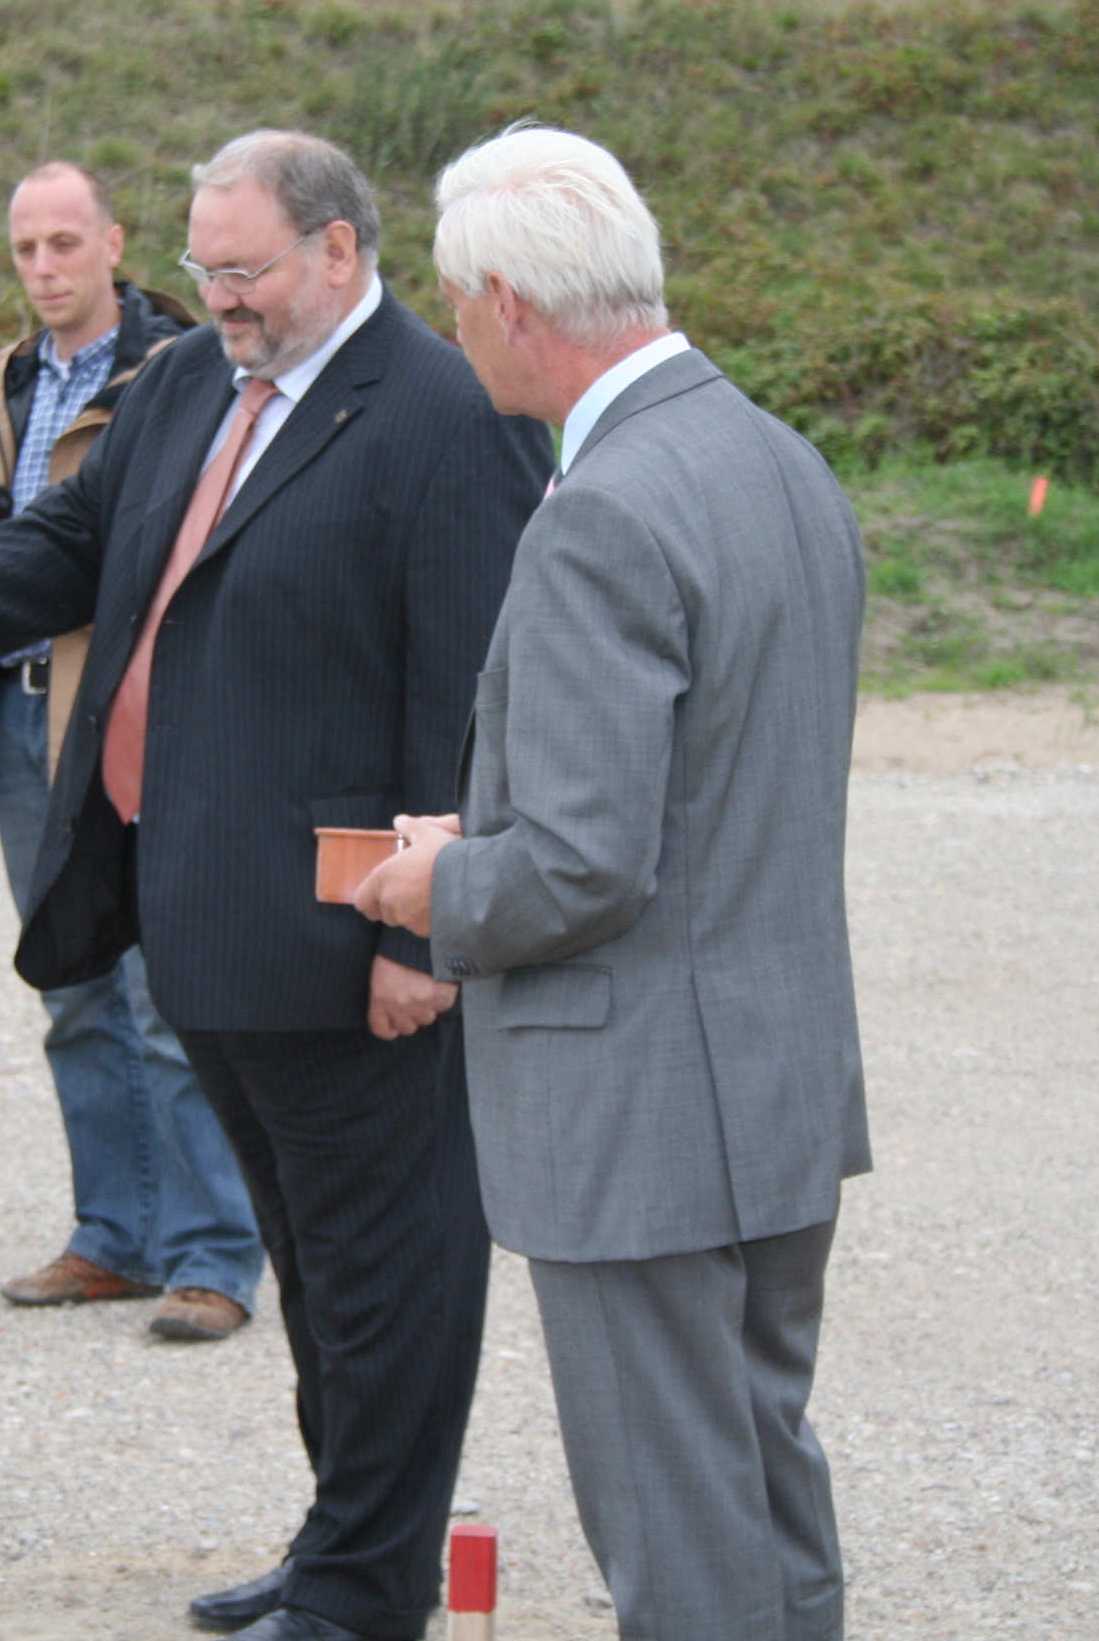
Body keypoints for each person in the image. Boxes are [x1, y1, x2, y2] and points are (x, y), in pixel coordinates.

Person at [0, 131, 546, 1641]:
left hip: (355, 938)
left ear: (341, 252)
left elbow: (470, 698)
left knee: (387, 1279)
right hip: (200, 917)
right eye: (206, 268)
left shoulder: (445, 414)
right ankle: (342, 1546)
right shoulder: (183, 382)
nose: (220, 297)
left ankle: (365, 1596)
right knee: (313, 1266)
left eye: (247, 272)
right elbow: (72, 538)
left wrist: (427, 934)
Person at [353, 126, 872, 1641]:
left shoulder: (602, 509)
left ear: (509, 303)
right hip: (770, 1073)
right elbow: (715, 785)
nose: (455, 331)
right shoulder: (777, 457)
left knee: (681, 1531)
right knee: (763, 1486)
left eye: (456, 300)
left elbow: (585, 865)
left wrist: (437, 885)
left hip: (642, 1109)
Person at [0, 160, 264, 1342]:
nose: (44, 267)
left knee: (166, 989)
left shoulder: (185, 368)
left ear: (117, 244)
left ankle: (215, 1252)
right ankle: (115, 1234)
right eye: (26, 247)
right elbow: (1, 514)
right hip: (18, 708)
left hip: (129, 705)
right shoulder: (14, 374)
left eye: (65, 243)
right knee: (71, 982)